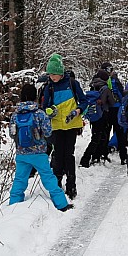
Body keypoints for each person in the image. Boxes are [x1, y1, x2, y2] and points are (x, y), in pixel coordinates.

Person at [8, 83, 73, 212]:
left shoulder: (15, 115)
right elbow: (48, 132)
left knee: (20, 179)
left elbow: (12, 133)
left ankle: (13, 206)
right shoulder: (40, 114)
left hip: (21, 154)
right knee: (48, 178)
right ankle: (61, 204)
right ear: (35, 97)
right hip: (39, 153)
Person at [40, 54, 88, 200]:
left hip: (71, 125)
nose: (52, 76)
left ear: (61, 73)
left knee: (69, 155)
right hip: (56, 126)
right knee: (58, 156)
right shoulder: (48, 87)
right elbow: (45, 106)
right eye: (50, 74)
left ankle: (71, 186)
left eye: (54, 74)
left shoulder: (73, 84)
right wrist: (49, 111)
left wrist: (78, 111)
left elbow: (84, 101)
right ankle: (57, 185)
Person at [80, 68, 117, 167]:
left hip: (93, 114)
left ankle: (94, 157)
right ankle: (87, 158)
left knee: (95, 136)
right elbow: (112, 102)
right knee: (99, 138)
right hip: (102, 115)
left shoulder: (92, 85)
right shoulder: (105, 88)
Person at [100, 62, 128, 164]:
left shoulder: (99, 81)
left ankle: (104, 155)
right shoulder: (115, 81)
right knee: (119, 133)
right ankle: (123, 157)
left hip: (105, 110)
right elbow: (122, 95)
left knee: (106, 132)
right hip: (116, 109)